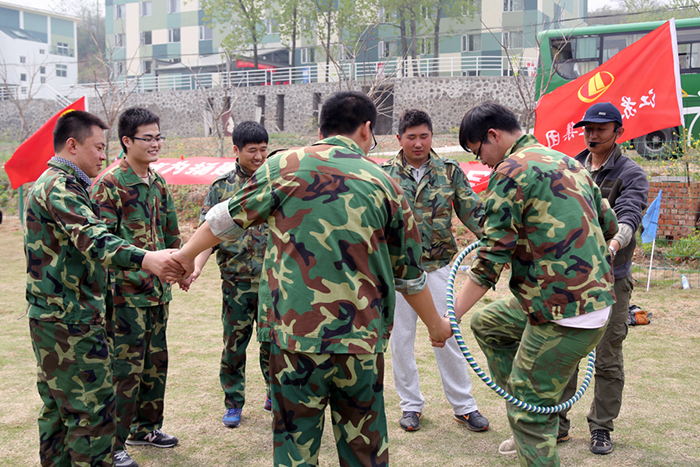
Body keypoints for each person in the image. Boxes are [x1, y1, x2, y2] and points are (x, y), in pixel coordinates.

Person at [170, 91, 453, 467]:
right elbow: (411, 275)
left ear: (321, 130)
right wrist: (436, 325)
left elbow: (226, 218)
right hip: (359, 343)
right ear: (367, 129)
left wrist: (184, 255)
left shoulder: (282, 166)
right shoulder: (385, 183)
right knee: (364, 451)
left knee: (295, 449)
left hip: (293, 340)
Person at [453, 101, 619, 467]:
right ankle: (532, 408)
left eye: (478, 151)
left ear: (493, 135)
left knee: (528, 410)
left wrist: (449, 318)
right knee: (490, 324)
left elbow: (490, 259)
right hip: (588, 302)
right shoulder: (569, 163)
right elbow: (610, 225)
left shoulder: (510, 171)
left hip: (563, 311)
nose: (481, 161)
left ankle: (531, 416)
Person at [24, 109, 183, 467]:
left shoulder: (66, 184)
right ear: (72, 145)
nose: (102, 155)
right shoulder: (60, 187)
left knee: (59, 412)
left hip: (62, 316)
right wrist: (147, 259)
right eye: (97, 147)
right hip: (71, 319)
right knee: (92, 413)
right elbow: (95, 239)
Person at [381, 109, 489, 432]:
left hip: (439, 266)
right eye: (411, 137)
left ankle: (464, 406)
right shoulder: (384, 175)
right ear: (399, 139)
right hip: (399, 272)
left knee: (448, 333)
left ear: (432, 137)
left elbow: (473, 212)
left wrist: (502, 239)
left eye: (424, 136)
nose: (418, 143)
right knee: (401, 340)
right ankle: (410, 405)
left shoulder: (449, 172)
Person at [91, 107, 181, 467]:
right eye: (148, 137)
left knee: (156, 364)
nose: (156, 143)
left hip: (158, 294)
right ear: (127, 141)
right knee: (124, 371)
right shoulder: (110, 185)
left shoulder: (157, 182)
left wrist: (182, 267)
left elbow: (171, 233)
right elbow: (102, 244)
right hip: (125, 296)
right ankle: (113, 443)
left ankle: (146, 428)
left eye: (159, 137)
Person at [557, 102, 649, 455]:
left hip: (612, 278)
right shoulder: (572, 167)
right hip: (573, 279)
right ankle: (556, 423)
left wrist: (611, 246)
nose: (592, 135)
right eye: (588, 129)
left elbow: (629, 217)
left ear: (618, 131)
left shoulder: (630, 173)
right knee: (565, 352)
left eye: (601, 128)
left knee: (608, 356)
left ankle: (601, 428)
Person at [183, 121, 272, 428]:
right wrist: (195, 266)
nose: (259, 156)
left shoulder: (276, 183)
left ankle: (275, 393)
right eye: (252, 150)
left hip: (273, 282)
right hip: (236, 282)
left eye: (264, 150)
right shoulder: (221, 188)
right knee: (234, 345)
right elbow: (208, 233)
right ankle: (233, 402)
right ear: (236, 150)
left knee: (273, 343)